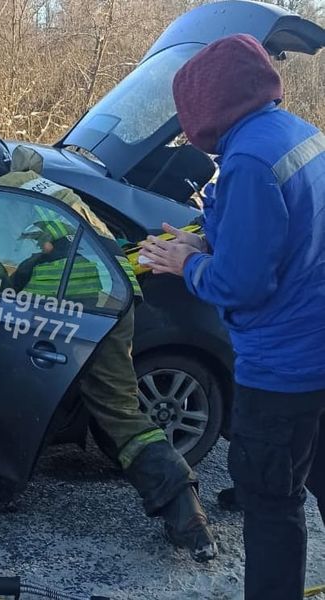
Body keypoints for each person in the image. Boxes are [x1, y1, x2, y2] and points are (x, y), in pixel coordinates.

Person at [0, 133, 218, 562]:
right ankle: (188, 517)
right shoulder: (42, 185)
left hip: (64, 304)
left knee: (6, 386)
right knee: (121, 412)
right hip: (113, 301)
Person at [139, 34, 325, 600]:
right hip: (319, 353)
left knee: (271, 503)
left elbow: (242, 284)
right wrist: (209, 239)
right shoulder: (299, 133)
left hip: (280, 371)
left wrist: (185, 264)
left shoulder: (245, 161)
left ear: (206, 106)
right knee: (317, 477)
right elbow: (289, 239)